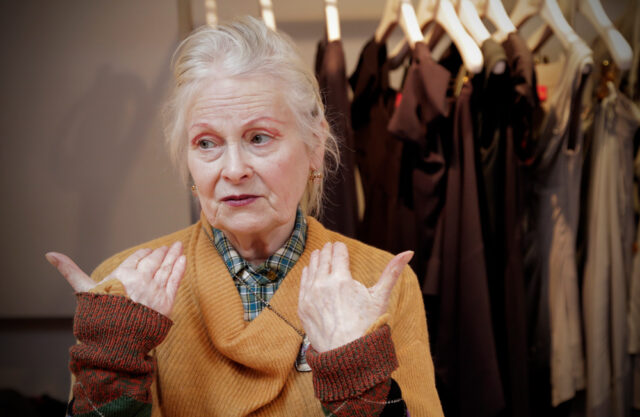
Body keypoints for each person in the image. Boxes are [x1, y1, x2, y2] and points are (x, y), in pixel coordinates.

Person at [46, 16, 444, 417]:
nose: (233, 170)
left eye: (258, 138)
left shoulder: (378, 282)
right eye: (207, 143)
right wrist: (114, 363)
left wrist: (355, 374)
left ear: (315, 145)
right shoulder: (123, 290)